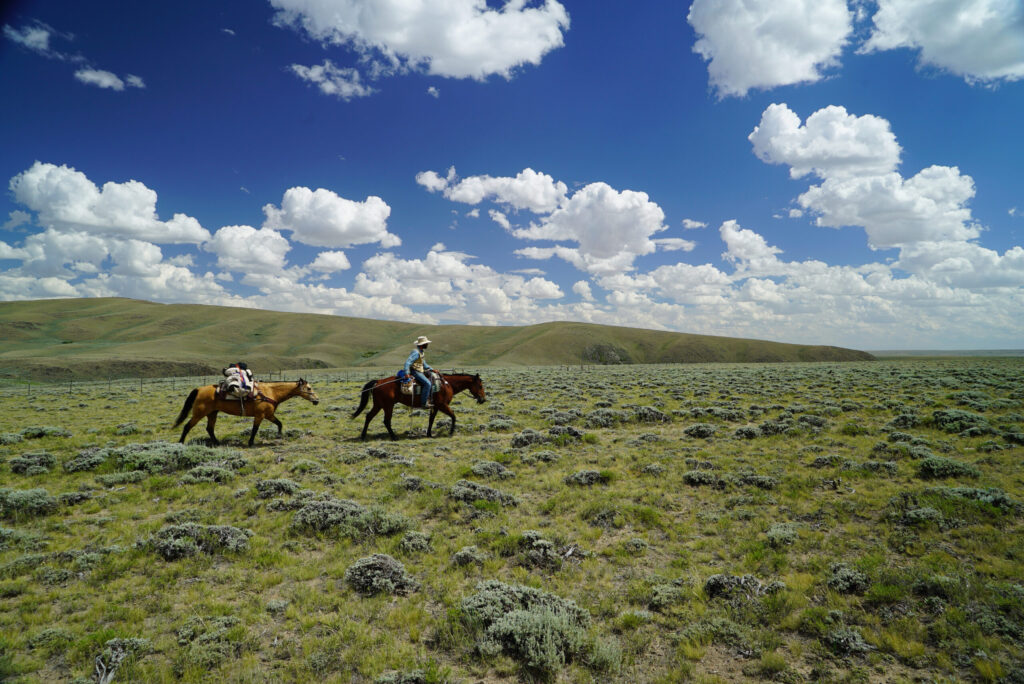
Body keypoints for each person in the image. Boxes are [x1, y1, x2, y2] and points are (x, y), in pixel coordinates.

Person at [404, 336, 434, 408]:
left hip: (420, 370)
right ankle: (423, 403)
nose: (427, 345)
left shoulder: (421, 352)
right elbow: (408, 362)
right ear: (422, 344)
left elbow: (424, 364)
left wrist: (432, 369)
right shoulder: (416, 353)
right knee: (428, 384)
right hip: (415, 371)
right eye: (426, 343)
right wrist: (407, 373)